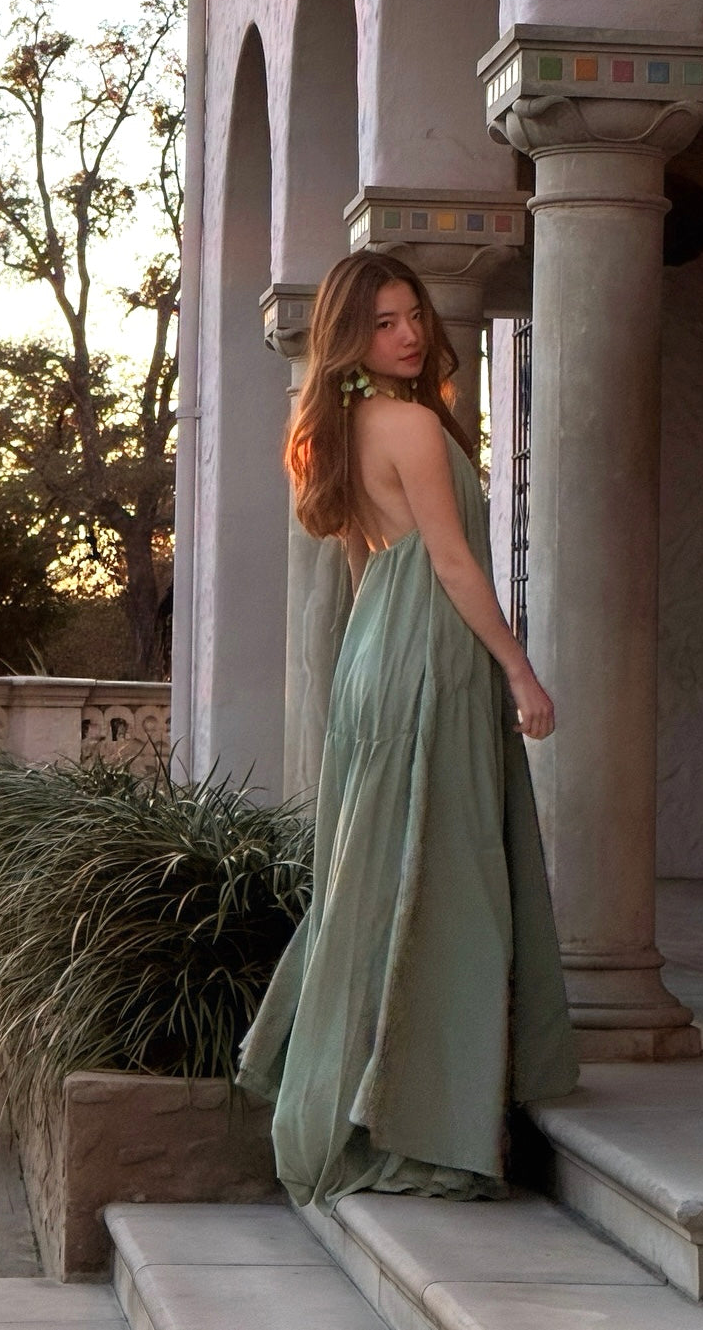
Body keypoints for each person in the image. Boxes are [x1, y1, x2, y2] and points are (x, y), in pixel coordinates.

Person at [236, 250, 578, 1212]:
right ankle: (419, 1121)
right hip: (428, 654)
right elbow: (456, 565)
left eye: (412, 315)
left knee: (385, 878)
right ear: (352, 333)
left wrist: (366, 674)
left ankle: (385, 1098)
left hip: (376, 658)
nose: (409, 333)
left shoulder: (338, 430)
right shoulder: (413, 425)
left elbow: (360, 566)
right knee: (443, 880)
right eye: (384, 322)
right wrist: (518, 669)